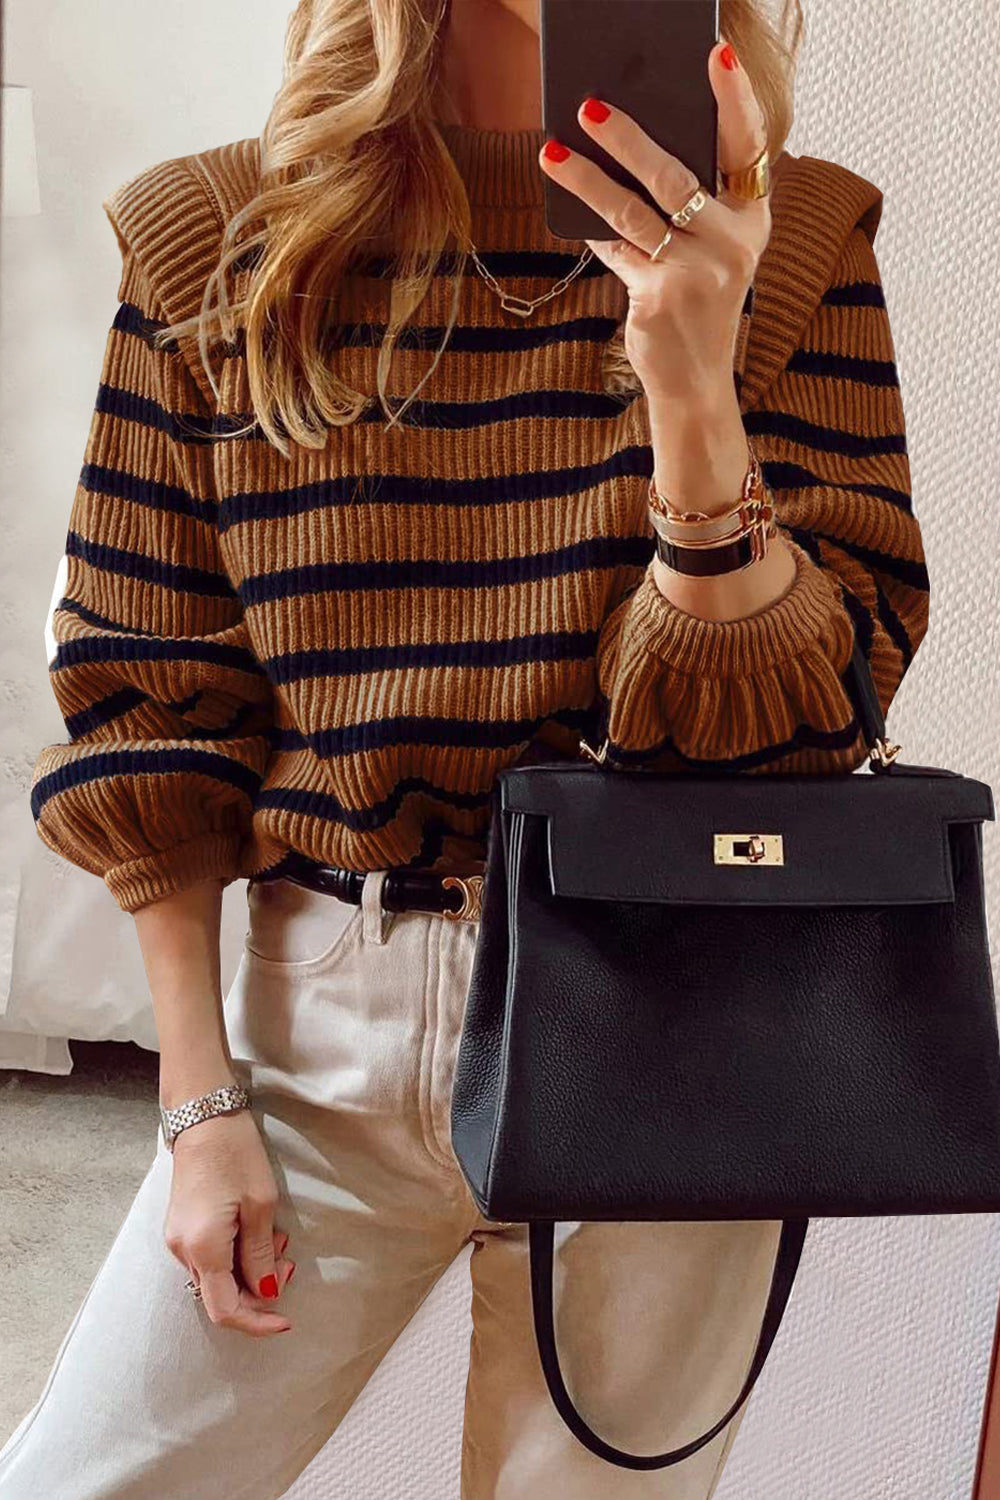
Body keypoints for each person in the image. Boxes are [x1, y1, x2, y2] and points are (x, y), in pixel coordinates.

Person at [5, 0, 929, 1495]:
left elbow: (809, 725)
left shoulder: (792, 246)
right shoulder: (219, 241)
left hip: (673, 1016)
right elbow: (149, 697)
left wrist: (692, 386)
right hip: (323, 1024)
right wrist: (199, 1099)